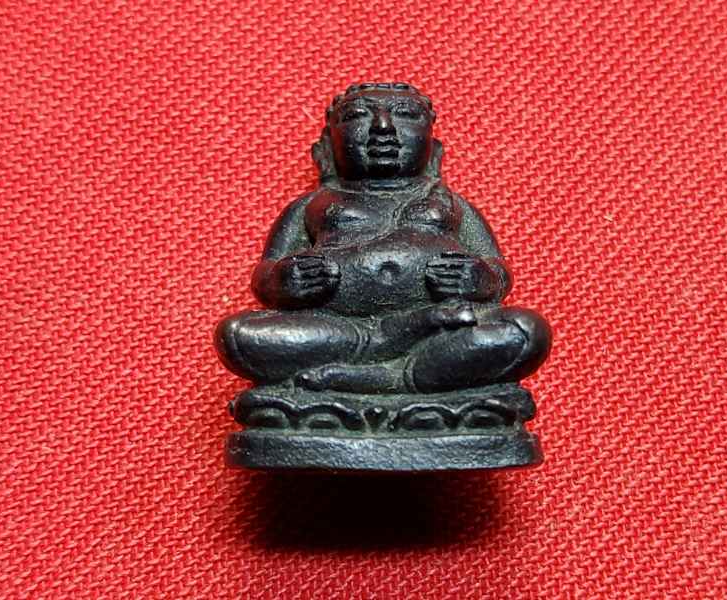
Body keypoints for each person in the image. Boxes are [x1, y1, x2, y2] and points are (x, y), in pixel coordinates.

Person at [215, 83, 551, 394]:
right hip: (343, 333)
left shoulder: (450, 204)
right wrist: (286, 280)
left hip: (441, 329)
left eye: (406, 115)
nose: (383, 127)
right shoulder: (312, 206)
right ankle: (386, 357)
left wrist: (479, 278)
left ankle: (392, 377)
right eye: (357, 116)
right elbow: (265, 276)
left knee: (525, 330)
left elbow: (498, 273)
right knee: (237, 334)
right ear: (327, 146)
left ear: (433, 146)